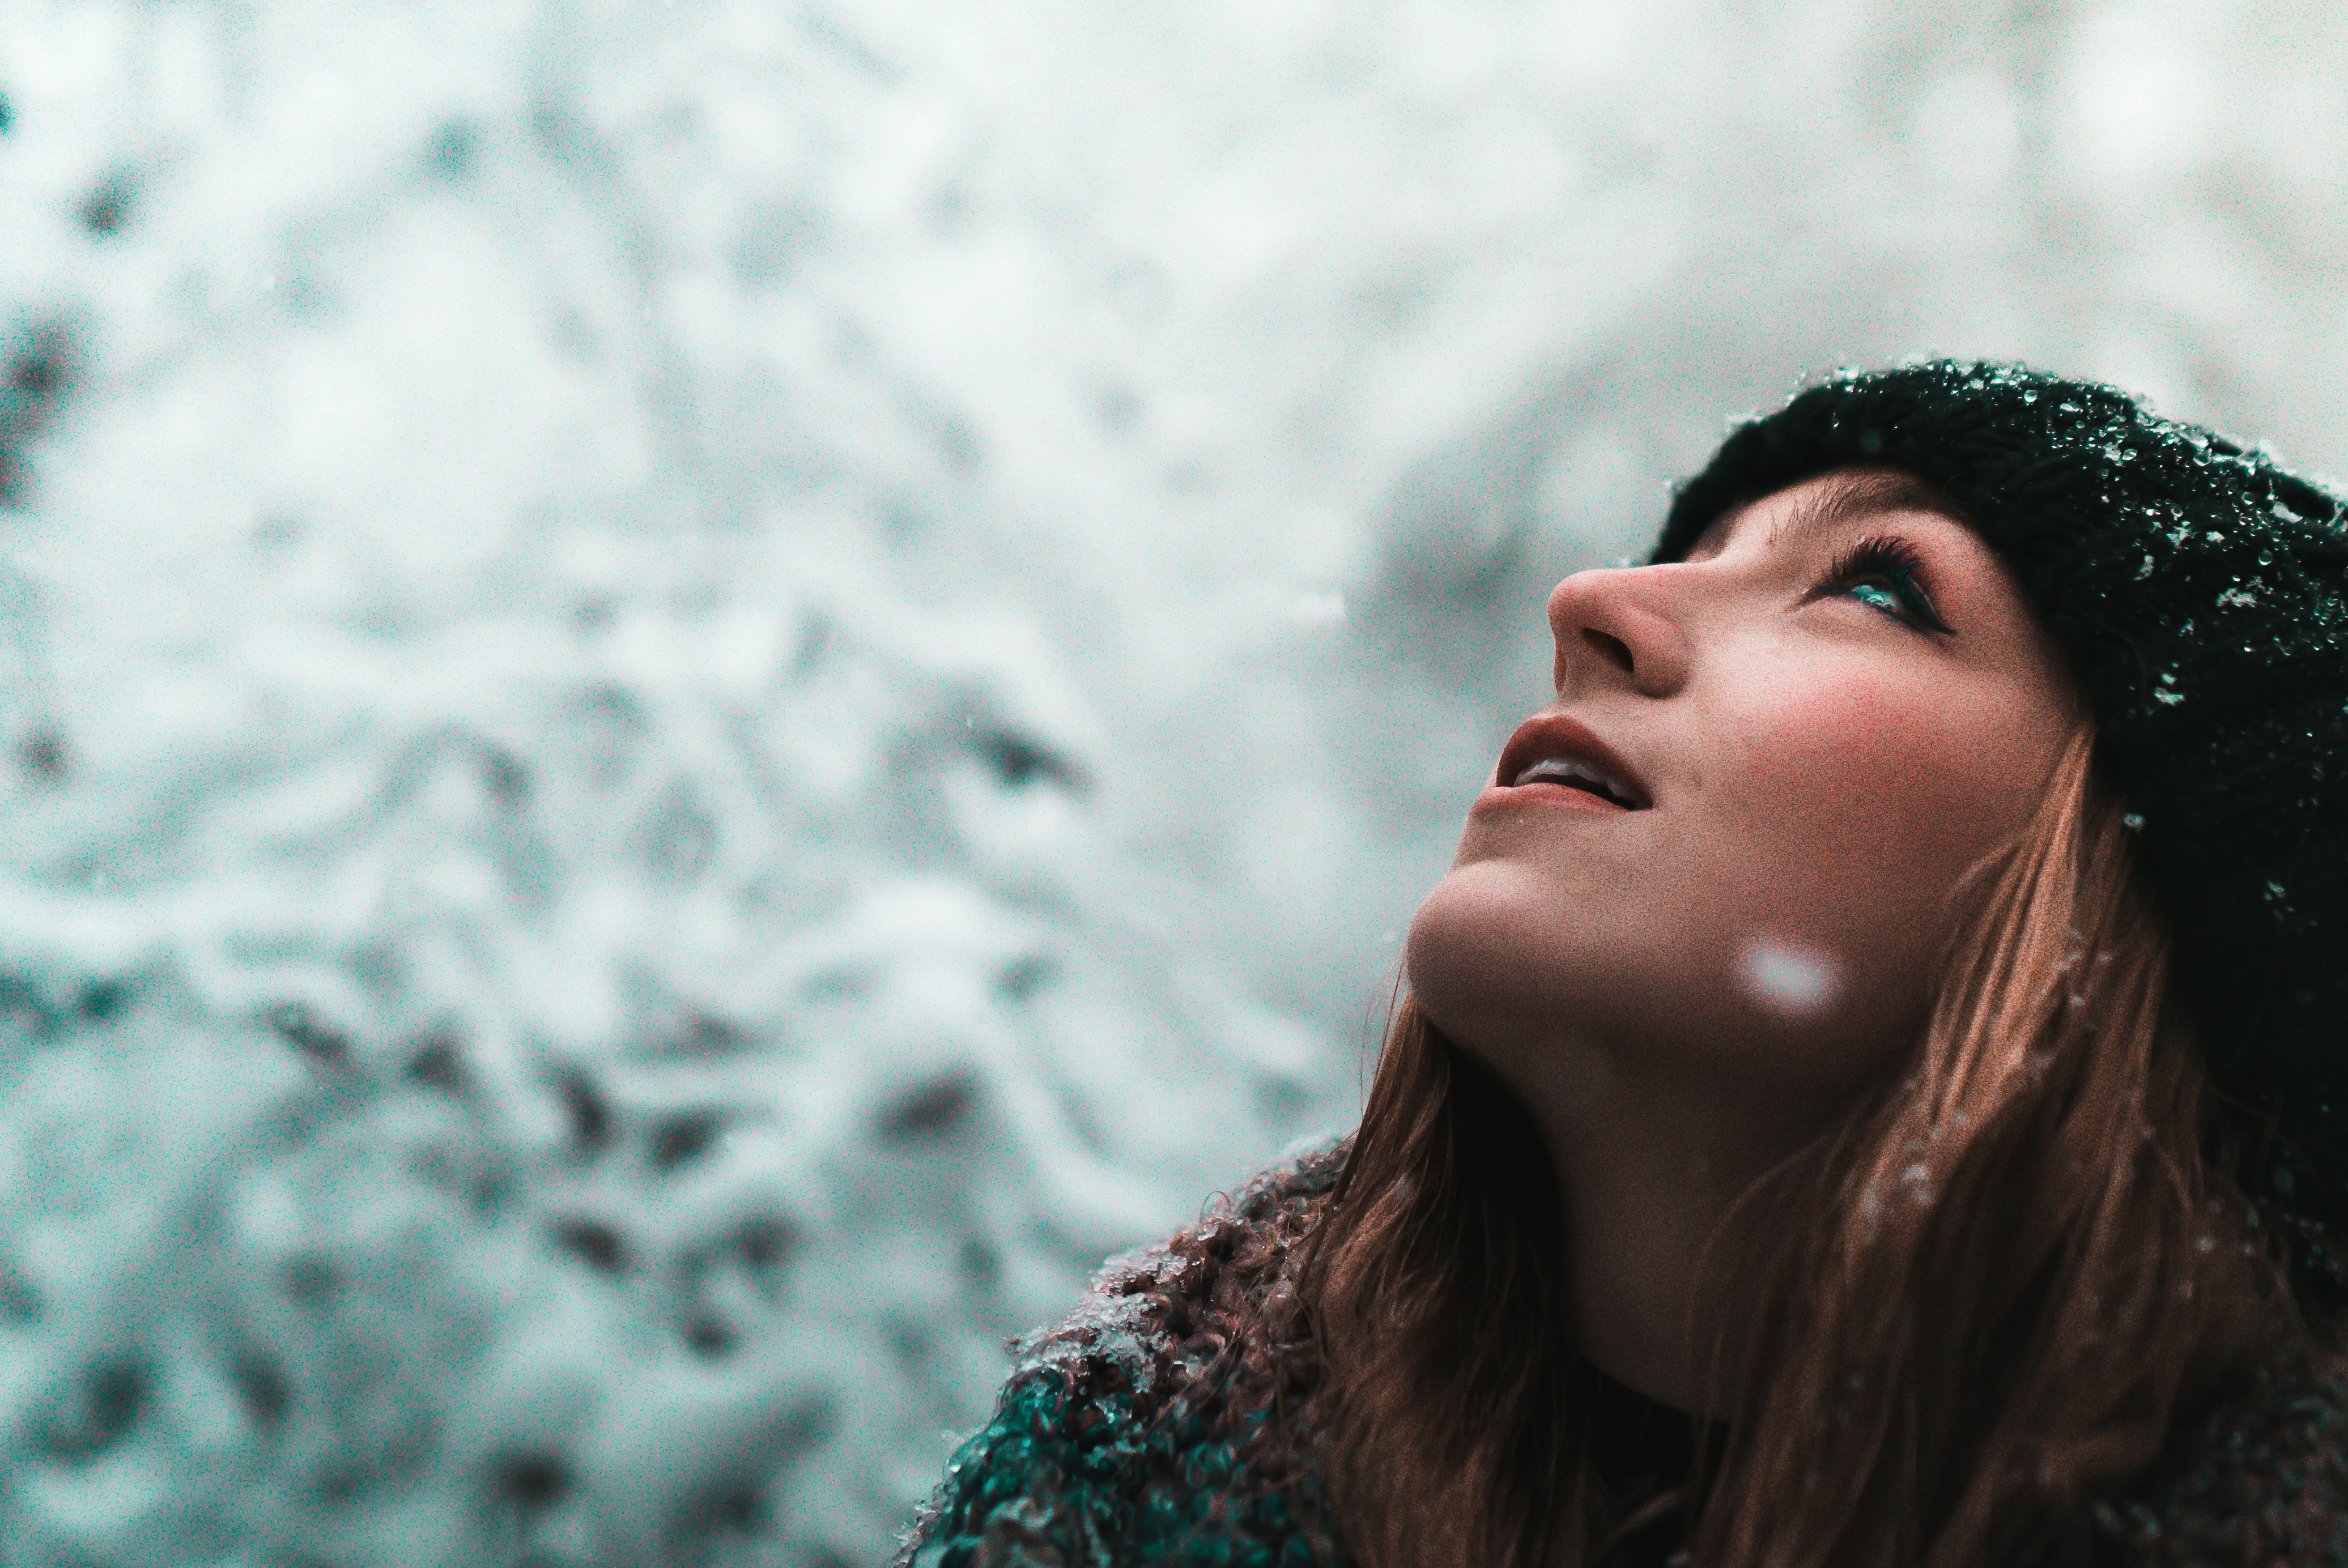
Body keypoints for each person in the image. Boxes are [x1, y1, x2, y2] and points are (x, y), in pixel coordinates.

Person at [892, 361, 2348, 1567]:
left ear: (2148, 908)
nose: (1592, 600)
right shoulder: (1120, 1480)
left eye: (1873, 586)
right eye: (1687, 555)